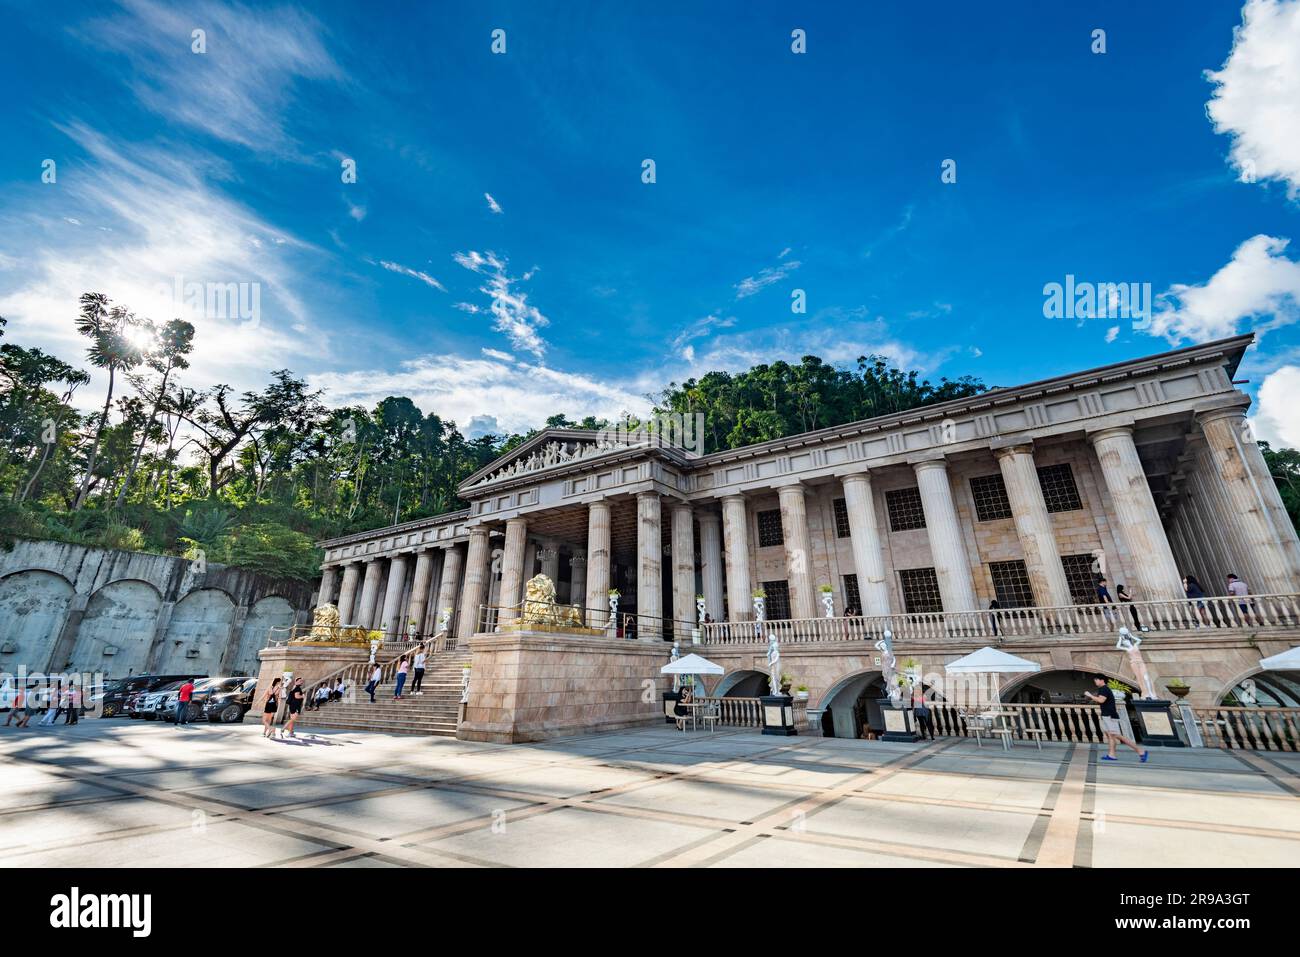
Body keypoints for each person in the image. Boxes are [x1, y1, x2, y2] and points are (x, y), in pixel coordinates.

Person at [1084, 675, 1147, 763]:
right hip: (1107, 715)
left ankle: (1140, 751)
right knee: (1110, 735)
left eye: (1096, 679)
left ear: (1102, 680)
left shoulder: (1104, 689)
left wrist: (1090, 695)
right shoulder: (1103, 689)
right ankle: (1111, 755)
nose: (1095, 681)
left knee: (1116, 735)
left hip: (1110, 715)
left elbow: (1101, 700)